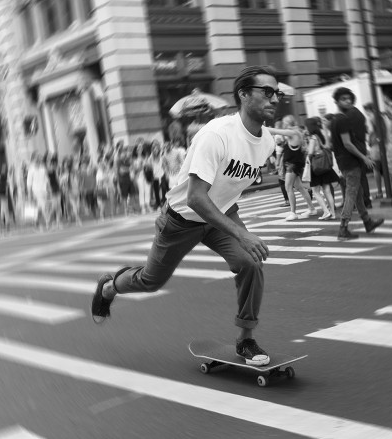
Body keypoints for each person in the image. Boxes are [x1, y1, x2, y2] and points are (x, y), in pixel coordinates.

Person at [91, 66, 282, 366]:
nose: (275, 98)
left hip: (221, 214)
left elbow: (234, 178)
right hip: (182, 219)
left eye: (277, 93)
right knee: (151, 281)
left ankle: (246, 340)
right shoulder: (216, 135)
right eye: (267, 92)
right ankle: (108, 287)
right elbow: (195, 198)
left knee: (250, 264)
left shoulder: (267, 141)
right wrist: (242, 234)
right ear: (244, 94)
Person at [328, 88, 385, 241]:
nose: (347, 101)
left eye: (349, 98)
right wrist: (364, 157)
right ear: (337, 101)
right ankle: (343, 228)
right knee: (351, 194)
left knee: (358, 192)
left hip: (343, 161)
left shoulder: (334, 119)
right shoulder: (343, 119)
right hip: (350, 161)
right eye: (343, 99)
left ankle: (367, 222)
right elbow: (347, 143)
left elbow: (333, 143)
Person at [279, 115, 317, 221]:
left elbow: (277, 131)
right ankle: (311, 208)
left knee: (288, 187)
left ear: (288, 123)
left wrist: (263, 128)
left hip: (292, 164)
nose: (283, 124)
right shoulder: (296, 132)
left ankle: (293, 212)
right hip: (293, 164)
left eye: (284, 122)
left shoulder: (292, 132)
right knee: (300, 187)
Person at [304, 117, 339, 220]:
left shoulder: (312, 138)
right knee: (327, 190)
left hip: (316, 167)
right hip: (324, 166)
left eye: (306, 126)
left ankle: (326, 212)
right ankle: (332, 213)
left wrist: (306, 151)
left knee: (315, 191)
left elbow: (310, 153)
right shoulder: (320, 136)